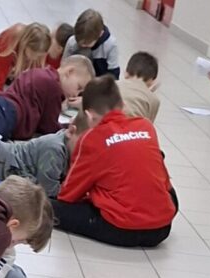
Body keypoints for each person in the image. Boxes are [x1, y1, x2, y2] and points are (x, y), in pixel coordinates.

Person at [52, 76, 177, 247]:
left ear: (89, 115)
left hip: (121, 229)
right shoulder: (146, 126)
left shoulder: (91, 138)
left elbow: (68, 196)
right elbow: (165, 183)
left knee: (53, 209)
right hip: (161, 229)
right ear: (122, 105)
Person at [0, 22, 50, 94]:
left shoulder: (26, 43)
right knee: (15, 96)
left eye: (38, 56)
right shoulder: (10, 44)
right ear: (26, 44)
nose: (34, 58)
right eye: (33, 54)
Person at [62, 8, 119, 78]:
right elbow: (63, 66)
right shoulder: (72, 42)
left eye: (86, 43)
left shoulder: (110, 45)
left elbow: (113, 74)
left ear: (100, 34)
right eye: (78, 41)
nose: (82, 45)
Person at [118, 51, 161, 122]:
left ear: (126, 73)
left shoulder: (111, 86)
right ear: (152, 80)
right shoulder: (154, 99)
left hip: (107, 126)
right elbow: (148, 124)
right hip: (135, 128)